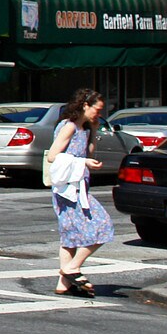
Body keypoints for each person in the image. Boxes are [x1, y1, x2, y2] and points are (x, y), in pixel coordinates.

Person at [46, 86, 114, 297]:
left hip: (78, 186)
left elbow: (89, 151)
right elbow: (53, 156)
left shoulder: (83, 128)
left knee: (70, 235)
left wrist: (93, 130)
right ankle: (71, 268)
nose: (99, 114)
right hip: (68, 189)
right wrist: (83, 161)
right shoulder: (68, 127)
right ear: (85, 105)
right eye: (97, 109)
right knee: (103, 226)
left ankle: (64, 283)